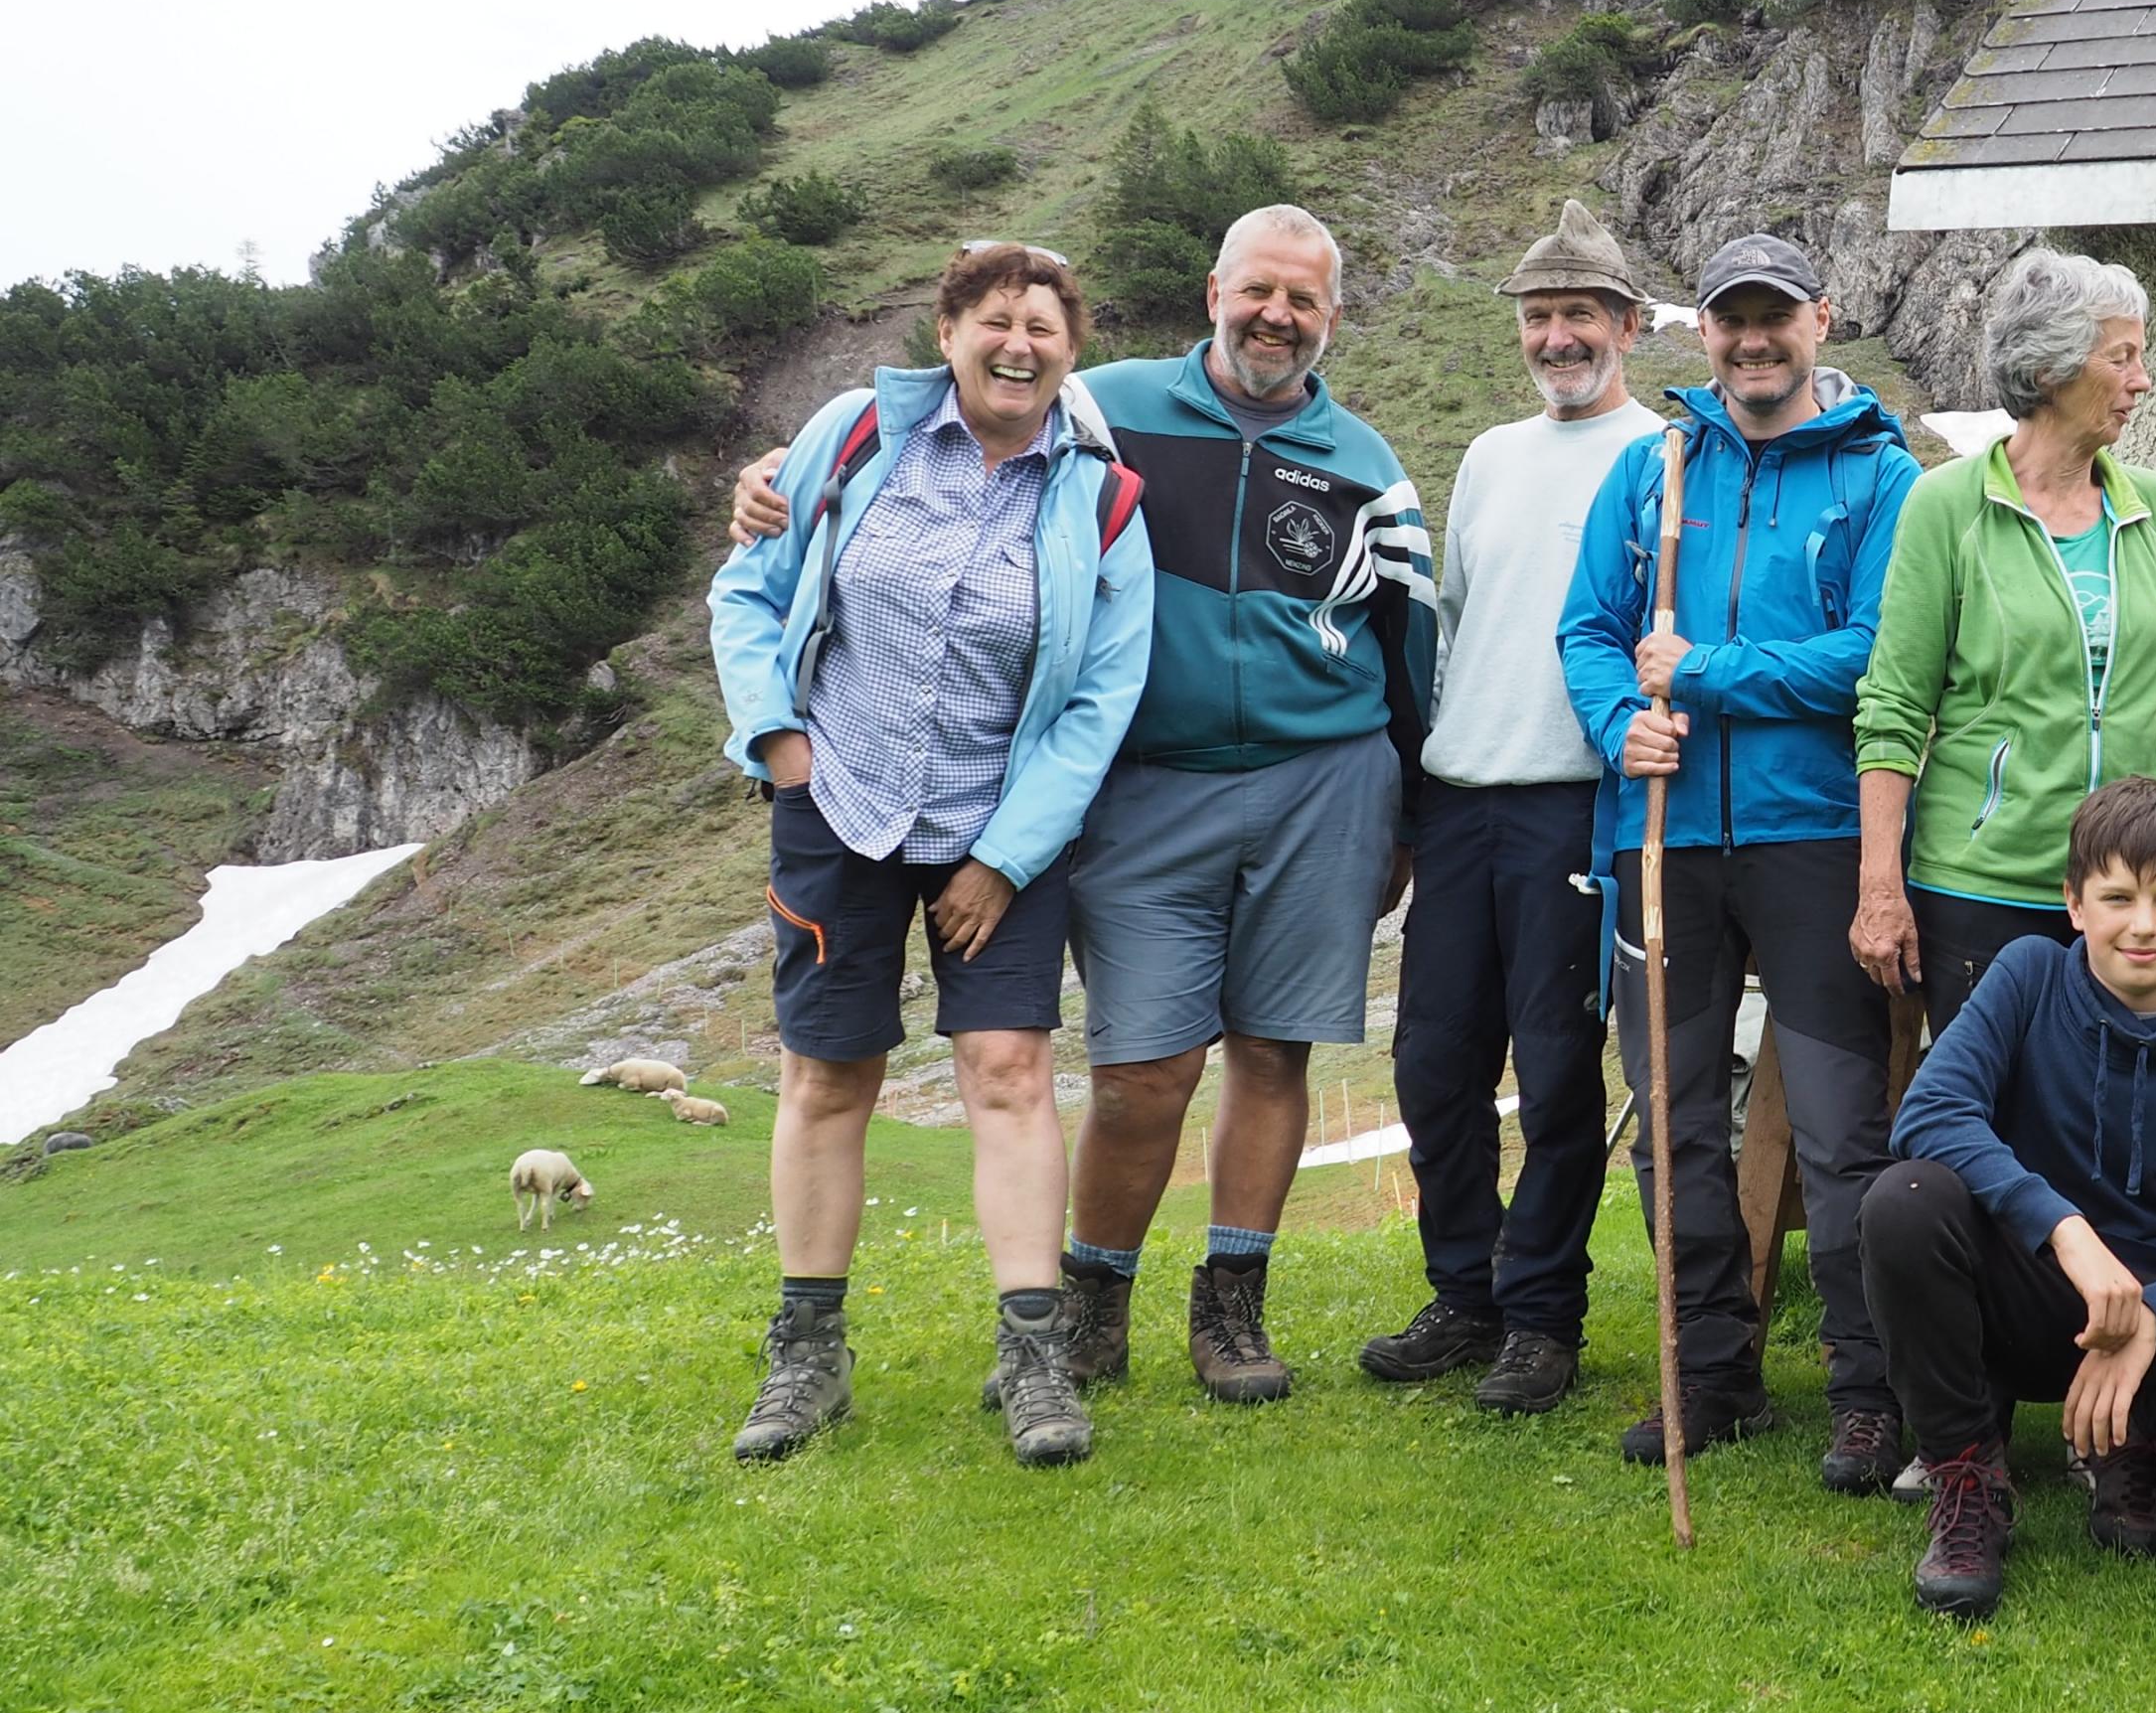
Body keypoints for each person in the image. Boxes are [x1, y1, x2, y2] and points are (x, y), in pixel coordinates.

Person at [733, 206, 1435, 1408]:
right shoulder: (1101, 407)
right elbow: (945, 428)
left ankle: (1231, 1308)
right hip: (1142, 784)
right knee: (1140, 1067)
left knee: (1274, 1050)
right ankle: (1091, 1306)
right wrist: (767, 484)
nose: (1275, 316)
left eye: (1303, 300)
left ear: (1332, 315)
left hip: (1323, 782)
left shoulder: (1368, 460)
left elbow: (1408, 642)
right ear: (1213, 291)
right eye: (1257, 291)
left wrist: (1407, 813)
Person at [707, 243, 1155, 1467]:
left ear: (1072, 352)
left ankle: (1034, 1359)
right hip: (836, 807)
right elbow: (748, 592)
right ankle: (807, 1357)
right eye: (996, 321)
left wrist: (1004, 859)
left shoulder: (1102, 498)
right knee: (826, 1073)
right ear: (948, 332)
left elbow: (1100, 700)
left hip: (1001, 827)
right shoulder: (854, 436)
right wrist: (776, 739)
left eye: (1044, 329)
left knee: (1009, 1072)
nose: (1019, 345)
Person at [1562, 233, 1922, 1491]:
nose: (1753, 340)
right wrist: (1622, 721)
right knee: (1671, 1124)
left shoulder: (1880, 477)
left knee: (1838, 1130)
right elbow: (1590, 630)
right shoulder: (1651, 468)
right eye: (1730, 319)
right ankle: (1710, 1371)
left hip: (1814, 837)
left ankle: (1869, 1390)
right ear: (1702, 331)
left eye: (1775, 316)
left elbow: (1878, 655)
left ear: (1821, 317)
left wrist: (1708, 675)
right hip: (1661, 840)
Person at [1865, 779, 2156, 1621]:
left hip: (2151, 1315)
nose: (2143, 925)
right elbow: (1931, 1111)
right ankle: (1967, 1473)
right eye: (2118, 898)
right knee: (1904, 1199)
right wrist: (2064, 1229)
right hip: (2023, 1293)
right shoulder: (2027, 977)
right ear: (2075, 903)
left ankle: (2135, 1434)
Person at [1359, 202, 1663, 1416]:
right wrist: (1414, 798)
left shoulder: (1665, 455)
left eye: (1579, 314)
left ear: (1628, 325)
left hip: (1575, 804)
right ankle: (1464, 1290)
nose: (1555, 337)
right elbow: (1451, 629)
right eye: (1538, 316)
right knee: (1433, 1064)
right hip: (1461, 797)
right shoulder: (1488, 455)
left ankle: (1541, 1315)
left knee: (1554, 1071)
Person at [1850, 248, 2156, 1025]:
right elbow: (1892, 710)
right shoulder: (1946, 507)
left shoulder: (2154, 510)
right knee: (1992, 1101)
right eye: (2121, 358)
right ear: (2050, 369)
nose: (2143, 381)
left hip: (2131, 891)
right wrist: (1880, 886)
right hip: (1980, 889)